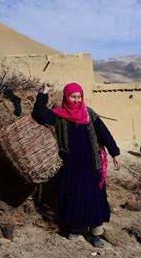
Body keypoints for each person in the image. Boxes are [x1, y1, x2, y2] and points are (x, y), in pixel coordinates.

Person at [31, 82, 121, 248]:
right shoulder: (59, 115)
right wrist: (43, 94)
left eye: (79, 97)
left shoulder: (89, 114)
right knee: (74, 195)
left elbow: (104, 133)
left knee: (94, 196)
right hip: (71, 164)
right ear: (66, 97)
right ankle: (76, 228)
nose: (77, 100)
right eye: (73, 96)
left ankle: (95, 233)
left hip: (92, 163)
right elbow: (39, 114)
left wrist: (115, 153)